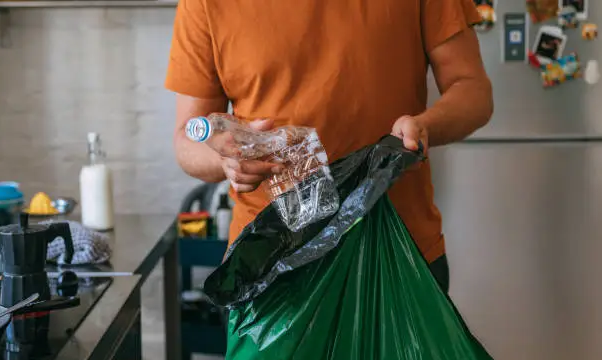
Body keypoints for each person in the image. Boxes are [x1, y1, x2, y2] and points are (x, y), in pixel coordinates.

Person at [165, 0, 493, 294]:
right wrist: (225, 160)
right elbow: (186, 139)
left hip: (398, 255)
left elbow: (473, 90)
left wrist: (426, 127)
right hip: (271, 269)